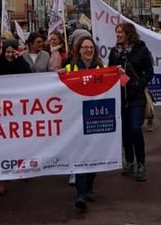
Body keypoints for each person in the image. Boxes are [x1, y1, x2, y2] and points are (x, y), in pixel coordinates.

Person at [61, 35, 104, 210]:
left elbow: (116, 83)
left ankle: (89, 187)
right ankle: (80, 194)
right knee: (80, 154)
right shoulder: (70, 67)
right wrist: (57, 76)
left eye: (91, 47)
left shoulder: (101, 67)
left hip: (95, 116)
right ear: (79, 50)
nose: (88, 50)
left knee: (93, 154)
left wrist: (120, 75)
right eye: (85, 47)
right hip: (76, 117)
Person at [108, 22, 154, 182]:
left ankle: (141, 163)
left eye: (120, 32)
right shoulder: (114, 52)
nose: (118, 35)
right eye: (117, 32)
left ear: (128, 33)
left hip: (136, 97)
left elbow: (149, 71)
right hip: (120, 96)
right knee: (125, 131)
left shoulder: (141, 49)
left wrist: (138, 84)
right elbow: (110, 72)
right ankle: (129, 161)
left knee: (135, 129)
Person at [0, 38, 32, 195]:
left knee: (19, 139)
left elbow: (29, 75)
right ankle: (1, 180)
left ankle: (22, 167)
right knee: (2, 143)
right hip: (2, 109)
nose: (9, 55)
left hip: (18, 108)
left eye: (11, 52)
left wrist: (19, 58)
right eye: (6, 52)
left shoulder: (20, 62)